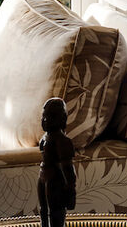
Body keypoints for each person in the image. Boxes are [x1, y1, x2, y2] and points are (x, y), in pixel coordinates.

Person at [38, 97, 76, 227]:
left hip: (51, 179)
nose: (45, 120)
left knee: (54, 213)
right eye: (43, 117)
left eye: (49, 117)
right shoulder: (50, 138)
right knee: (47, 211)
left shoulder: (59, 140)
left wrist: (71, 187)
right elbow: (67, 168)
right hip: (47, 178)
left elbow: (67, 167)